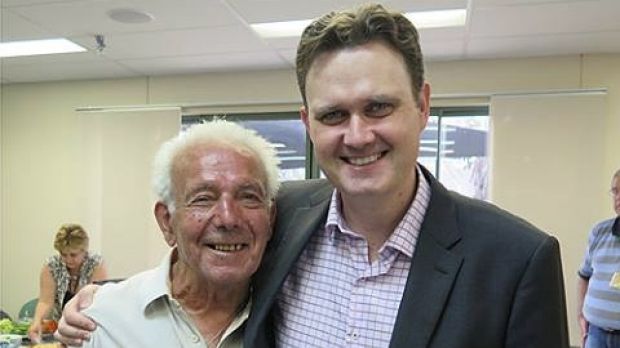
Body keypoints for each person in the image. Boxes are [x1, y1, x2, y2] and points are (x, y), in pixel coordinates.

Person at [57, 4, 569, 347]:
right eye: (332, 115)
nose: (357, 135)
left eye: (378, 107)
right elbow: (204, 256)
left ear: (422, 105)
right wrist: (102, 299)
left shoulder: (516, 261)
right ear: (307, 124)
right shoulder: (281, 216)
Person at [62, 120, 279, 347]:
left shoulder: (291, 318)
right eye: (203, 199)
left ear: (270, 218)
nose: (228, 218)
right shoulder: (102, 320)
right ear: (167, 222)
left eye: (248, 197)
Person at [28, 223, 107, 343]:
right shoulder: (51, 265)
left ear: (84, 251)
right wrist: (37, 321)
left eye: (73, 255)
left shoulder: (96, 264)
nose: (68, 260)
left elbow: (96, 304)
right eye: (63, 255)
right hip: (60, 329)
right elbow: (45, 301)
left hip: (86, 328)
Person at [577, 169, 620, 348]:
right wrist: (581, 315)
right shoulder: (599, 231)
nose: (618, 197)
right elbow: (583, 276)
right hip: (596, 333)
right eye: (615, 191)